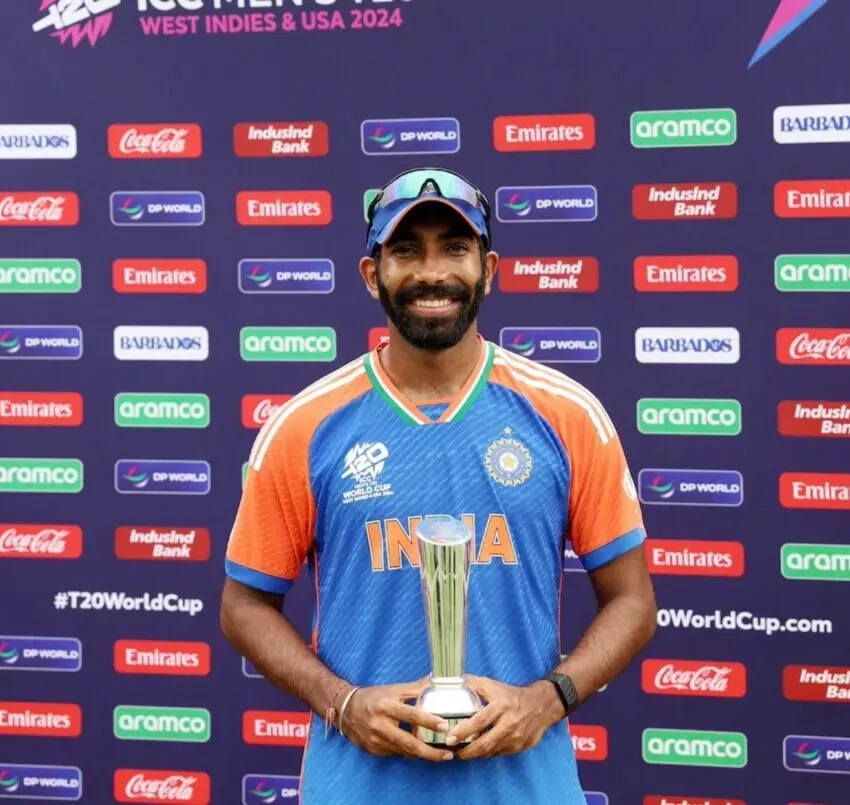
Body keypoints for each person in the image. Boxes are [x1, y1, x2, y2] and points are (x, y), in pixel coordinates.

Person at [220, 167, 657, 804]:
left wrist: (546, 701)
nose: (432, 273)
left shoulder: (566, 415)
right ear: (372, 275)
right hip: (359, 790)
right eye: (406, 251)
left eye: (454, 248)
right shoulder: (305, 426)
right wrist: (342, 703)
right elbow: (243, 606)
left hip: (523, 789)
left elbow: (633, 602)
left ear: (488, 269)